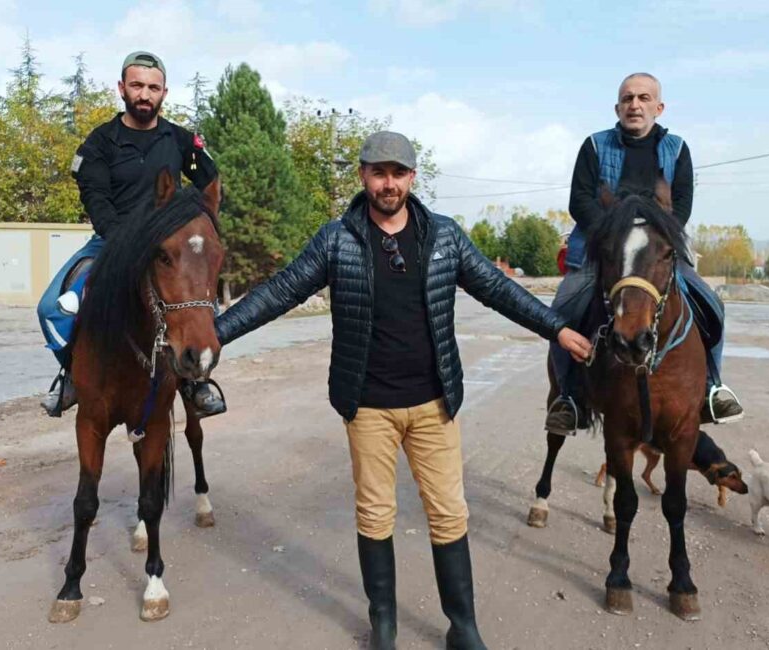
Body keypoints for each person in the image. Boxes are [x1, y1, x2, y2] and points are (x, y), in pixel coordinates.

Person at [214, 131, 592, 649]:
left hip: (435, 403)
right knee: (374, 512)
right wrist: (216, 333)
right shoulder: (336, 239)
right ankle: (384, 625)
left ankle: (463, 627)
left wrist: (557, 327)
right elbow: (280, 290)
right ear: (363, 176)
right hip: (367, 404)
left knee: (448, 512)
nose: (388, 183)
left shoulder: (444, 236)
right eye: (378, 172)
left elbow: (498, 289)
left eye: (398, 173)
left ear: (412, 178)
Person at [544, 72, 744, 436]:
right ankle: (568, 397)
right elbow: (580, 200)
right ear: (617, 106)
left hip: (657, 247)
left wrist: (658, 233)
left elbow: (681, 205)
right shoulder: (594, 144)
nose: (634, 105)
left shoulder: (678, 148)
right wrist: (613, 231)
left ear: (659, 107)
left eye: (643, 98)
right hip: (603, 247)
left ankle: (713, 386)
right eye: (627, 98)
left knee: (713, 304)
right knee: (562, 309)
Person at [37, 51, 223, 418]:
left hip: (168, 248)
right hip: (110, 244)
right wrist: (123, 241)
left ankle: (194, 381)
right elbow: (95, 196)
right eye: (137, 85)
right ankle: (71, 374)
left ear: (164, 93)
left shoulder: (181, 141)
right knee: (51, 309)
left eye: (153, 88)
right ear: (122, 88)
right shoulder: (100, 143)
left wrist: (195, 229)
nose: (144, 94)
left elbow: (211, 187)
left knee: (202, 308)